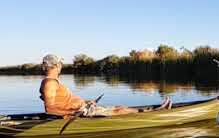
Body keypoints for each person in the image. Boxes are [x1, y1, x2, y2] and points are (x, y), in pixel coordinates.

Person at [39, 54, 172, 119]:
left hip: (83, 108)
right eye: (60, 63)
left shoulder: (53, 82)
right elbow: (50, 109)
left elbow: (63, 101)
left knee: (119, 108)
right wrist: (74, 113)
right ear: (56, 66)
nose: (61, 65)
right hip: (80, 114)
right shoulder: (50, 83)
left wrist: (85, 102)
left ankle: (154, 110)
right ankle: (157, 112)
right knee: (119, 111)